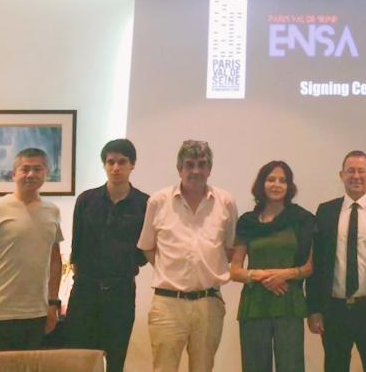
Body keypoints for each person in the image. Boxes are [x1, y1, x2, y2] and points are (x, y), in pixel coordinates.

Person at [138, 140, 238, 372]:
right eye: (189, 164)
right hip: (167, 304)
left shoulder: (225, 202)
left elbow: (230, 248)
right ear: (179, 169)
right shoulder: (158, 201)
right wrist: (169, 270)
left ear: (209, 169)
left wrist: (205, 268)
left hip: (209, 303)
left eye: (202, 164)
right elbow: (147, 247)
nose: (195, 171)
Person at [307, 150, 366, 372]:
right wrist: (314, 309)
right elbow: (317, 264)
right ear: (341, 175)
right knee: (335, 366)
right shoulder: (325, 211)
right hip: (334, 309)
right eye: (350, 171)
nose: (356, 176)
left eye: (361, 171)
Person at [0, 147, 64, 352]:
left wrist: (53, 303)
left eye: (37, 169)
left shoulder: (52, 211)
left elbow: (55, 261)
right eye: (25, 169)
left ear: (46, 173)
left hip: (36, 315)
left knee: (30, 366)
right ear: (14, 174)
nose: (31, 174)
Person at [66, 138, 149, 372]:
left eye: (122, 162)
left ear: (132, 165)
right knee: (78, 357)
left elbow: (144, 251)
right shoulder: (86, 200)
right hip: (85, 290)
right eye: (110, 162)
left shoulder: (144, 203)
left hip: (120, 291)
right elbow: (77, 248)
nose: (116, 168)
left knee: (115, 358)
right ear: (104, 165)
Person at [230, 160, 315, 372]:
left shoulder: (302, 219)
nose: (276, 184)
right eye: (271, 179)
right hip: (254, 305)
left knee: (291, 367)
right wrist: (261, 276)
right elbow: (235, 270)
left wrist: (282, 275)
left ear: (289, 186)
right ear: (262, 184)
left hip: (289, 303)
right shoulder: (247, 222)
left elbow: (309, 267)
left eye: (282, 180)